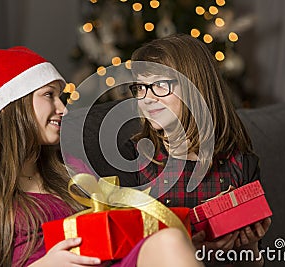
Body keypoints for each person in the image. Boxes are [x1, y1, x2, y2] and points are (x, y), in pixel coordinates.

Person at [0, 46, 203, 267]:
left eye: (61, 97)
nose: (63, 109)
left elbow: (116, 236)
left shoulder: (69, 171)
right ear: (13, 105)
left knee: (169, 241)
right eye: (49, 96)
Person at [111, 33, 270, 266]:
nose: (146, 98)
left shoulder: (240, 163)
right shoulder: (132, 158)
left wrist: (249, 245)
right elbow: (125, 254)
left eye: (160, 85)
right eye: (141, 87)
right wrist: (187, 250)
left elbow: (251, 262)